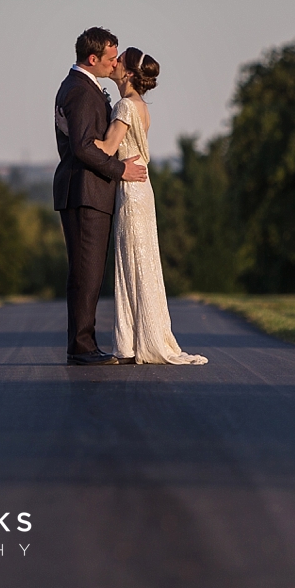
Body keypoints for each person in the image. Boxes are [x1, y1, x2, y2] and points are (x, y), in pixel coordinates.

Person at [93, 47, 207, 365]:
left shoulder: (125, 106)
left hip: (131, 191)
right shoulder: (140, 106)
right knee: (142, 261)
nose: (114, 63)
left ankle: (134, 343)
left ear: (129, 73)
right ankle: (139, 338)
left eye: (119, 61)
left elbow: (107, 148)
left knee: (132, 261)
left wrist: (75, 136)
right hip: (142, 188)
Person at [53, 28, 148, 366]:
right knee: (86, 273)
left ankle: (83, 344)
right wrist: (120, 170)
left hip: (89, 191)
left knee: (88, 273)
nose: (115, 63)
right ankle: (82, 347)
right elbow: (82, 147)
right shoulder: (80, 90)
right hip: (85, 191)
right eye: (110, 58)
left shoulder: (82, 87)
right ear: (92, 59)